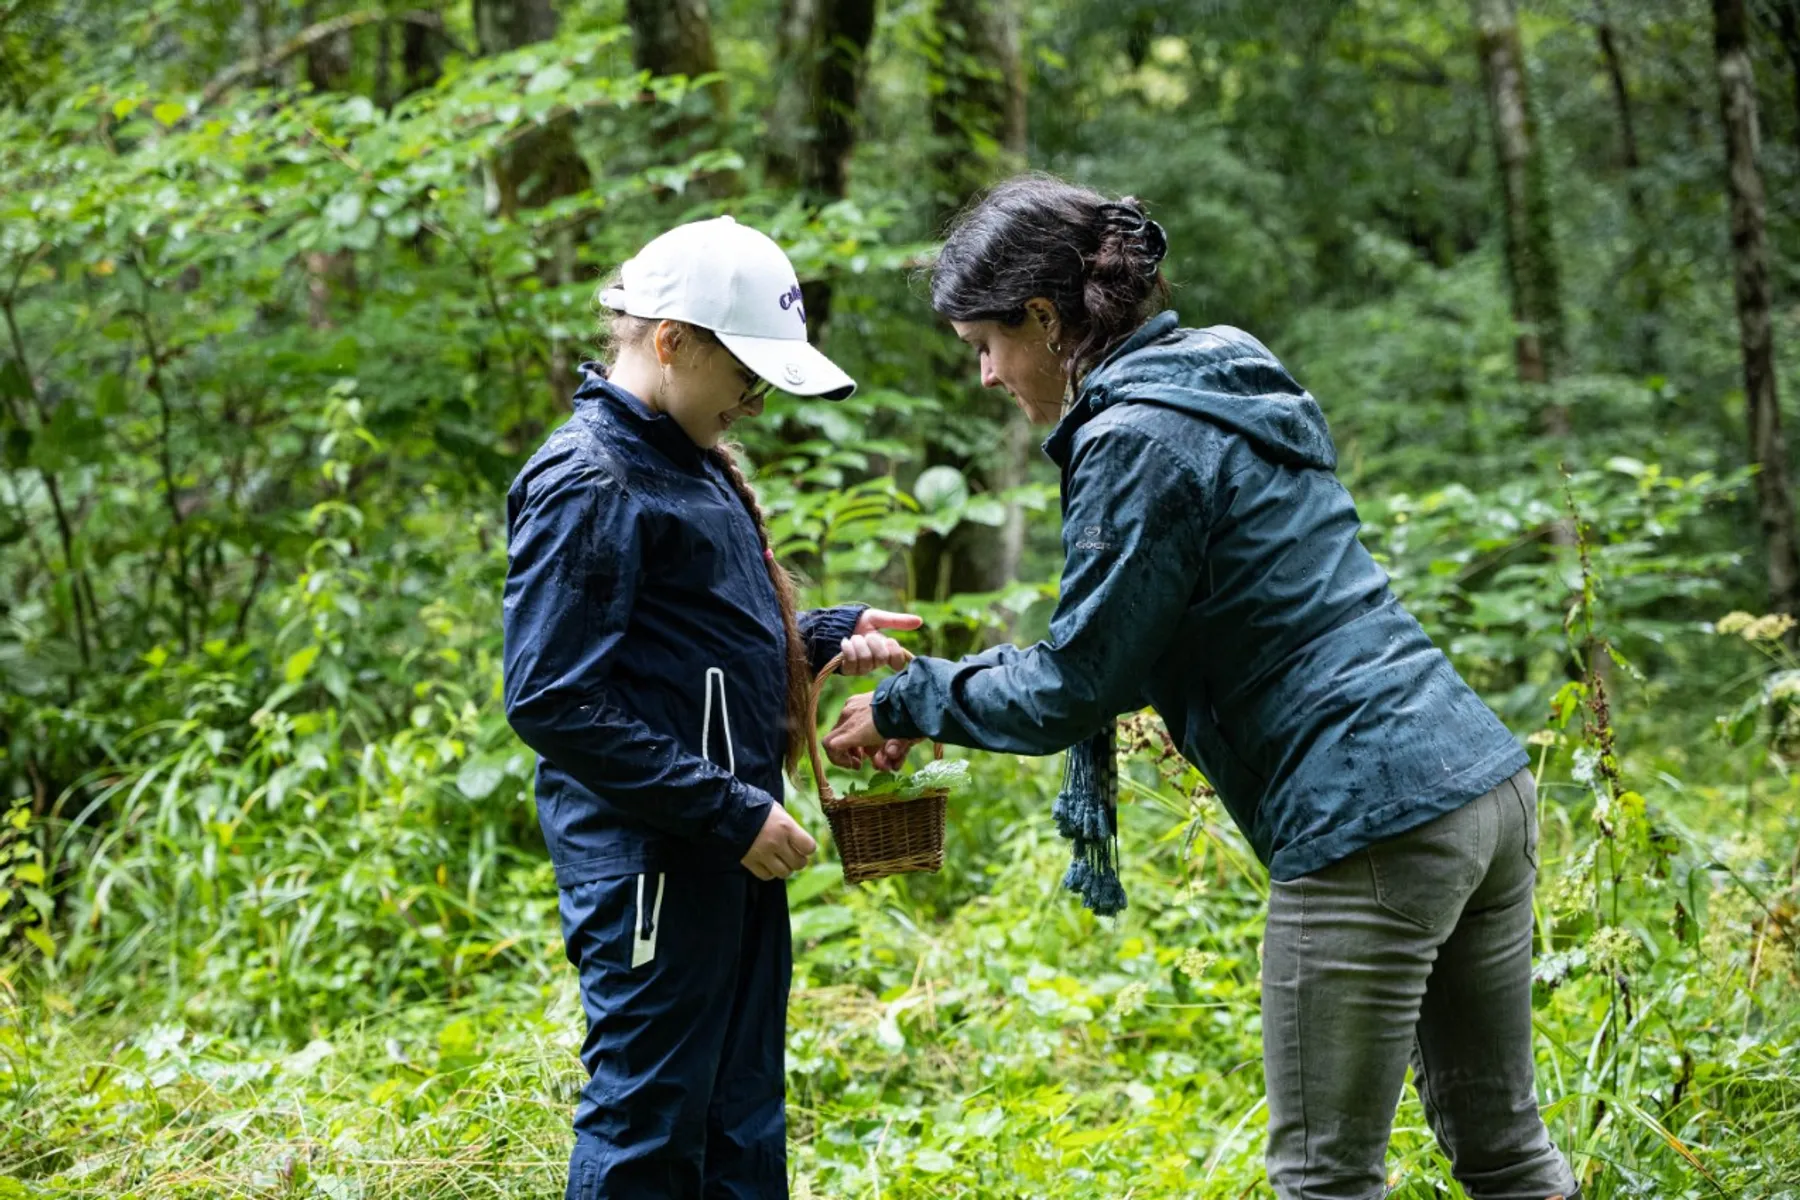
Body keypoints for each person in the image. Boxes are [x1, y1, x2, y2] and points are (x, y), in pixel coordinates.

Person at [823, 175, 1579, 1200]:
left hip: (1370, 819)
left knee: (1323, 1178)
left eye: (987, 347)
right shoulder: (1219, 373)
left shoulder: (1136, 438)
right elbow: (1151, 639)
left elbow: (1072, 686)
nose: (991, 376)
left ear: (1046, 319)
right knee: (1506, 1153)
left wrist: (913, 702)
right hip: (1479, 788)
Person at [503, 216, 919, 1199]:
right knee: (649, 1118)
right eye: (747, 371)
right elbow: (552, 697)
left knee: (739, 1113)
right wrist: (729, 810)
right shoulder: (589, 476)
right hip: (656, 855)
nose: (756, 398)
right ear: (671, 341)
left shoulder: (689, 459)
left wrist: (818, 635)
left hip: (729, 847)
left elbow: (693, 644)